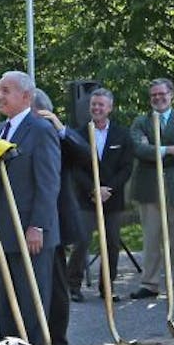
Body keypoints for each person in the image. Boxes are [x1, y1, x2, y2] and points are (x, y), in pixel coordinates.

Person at [0, 73, 62, 344]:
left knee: (32, 306)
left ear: (26, 97)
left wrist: (38, 225)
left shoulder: (41, 129)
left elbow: (49, 183)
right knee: (5, 305)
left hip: (31, 235)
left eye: (6, 91)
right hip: (1, 233)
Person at [128, 78, 174, 301]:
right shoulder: (141, 121)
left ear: (172, 95)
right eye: (153, 95)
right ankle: (149, 283)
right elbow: (138, 149)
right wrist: (169, 149)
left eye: (162, 94)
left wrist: (155, 150)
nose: (158, 98)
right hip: (149, 187)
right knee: (151, 237)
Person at [32, 93, 90, 345]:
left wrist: (60, 127)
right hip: (24, 219)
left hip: (54, 218)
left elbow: (85, 156)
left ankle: (58, 343)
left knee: (55, 283)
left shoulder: (55, 132)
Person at [66, 88, 134, 302]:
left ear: (110, 108)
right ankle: (72, 286)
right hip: (86, 198)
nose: (96, 108)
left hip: (112, 199)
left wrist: (108, 190)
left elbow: (126, 168)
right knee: (82, 241)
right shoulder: (78, 134)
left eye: (101, 105)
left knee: (112, 243)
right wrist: (93, 190)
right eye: (94, 104)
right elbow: (75, 168)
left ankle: (107, 287)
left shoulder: (122, 135)